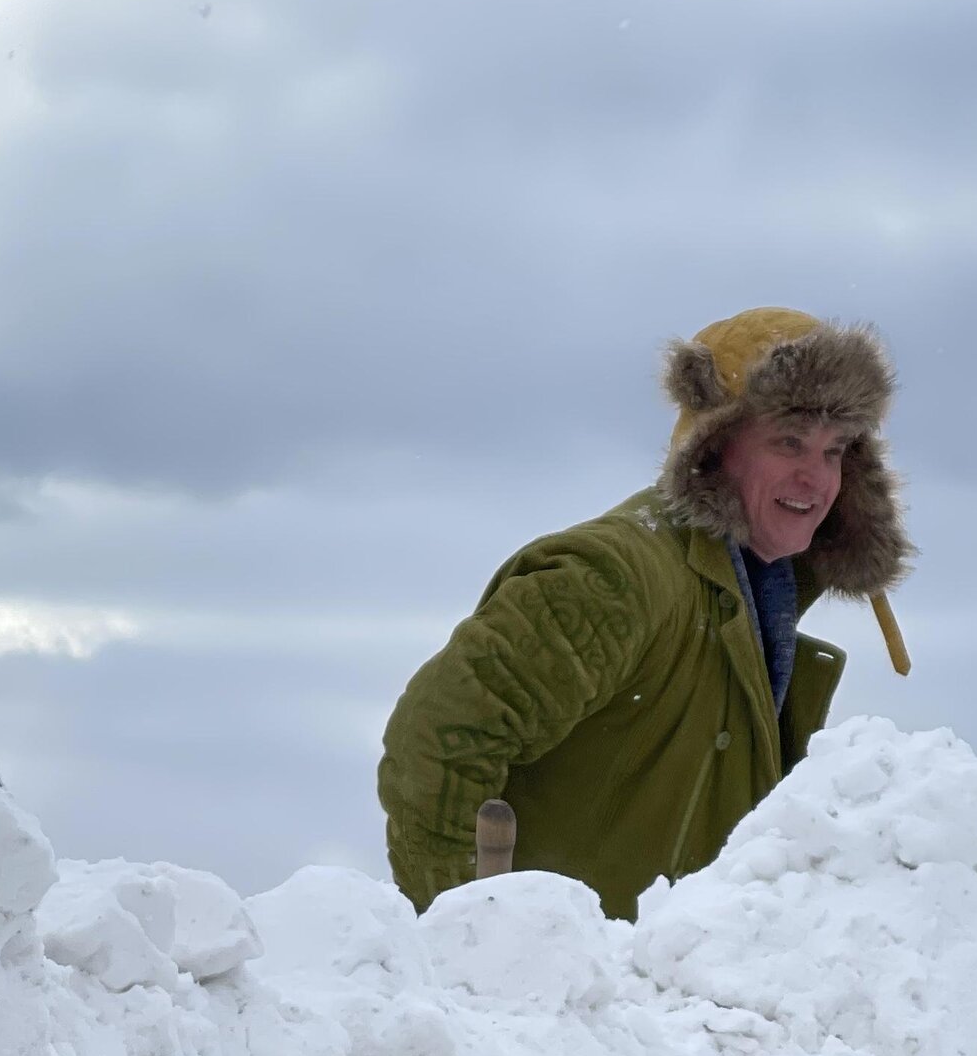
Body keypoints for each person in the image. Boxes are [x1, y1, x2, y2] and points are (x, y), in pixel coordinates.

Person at [378, 306, 912, 919]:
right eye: (789, 442)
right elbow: (437, 742)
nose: (814, 478)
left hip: (657, 1006)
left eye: (835, 451)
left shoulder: (761, 604)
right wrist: (474, 941)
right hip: (561, 1000)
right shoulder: (615, 578)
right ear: (714, 450)